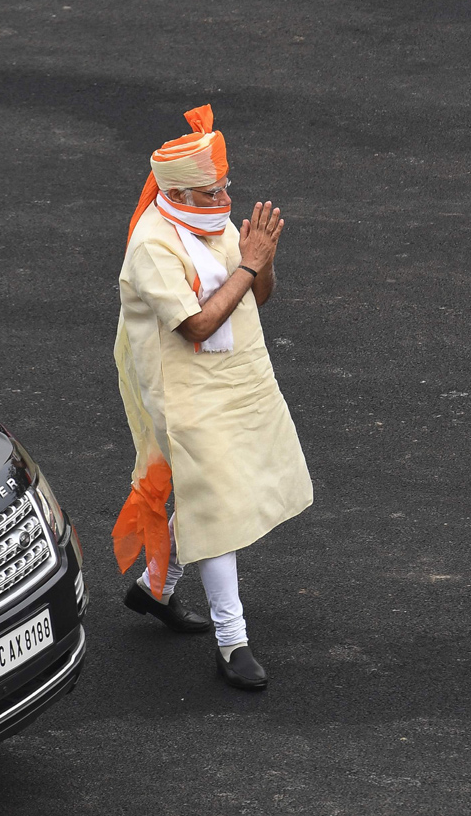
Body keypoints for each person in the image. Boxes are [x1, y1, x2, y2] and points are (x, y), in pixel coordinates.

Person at [112, 104, 313, 688]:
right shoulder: (153, 245)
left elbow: (254, 295)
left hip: (236, 381)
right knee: (219, 506)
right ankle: (233, 643)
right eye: (208, 194)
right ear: (178, 193)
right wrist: (248, 267)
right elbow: (197, 326)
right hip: (183, 397)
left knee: (211, 493)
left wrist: (261, 263)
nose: (221, 201)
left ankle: (154, 590)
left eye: (225, 188)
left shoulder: (214, 225)